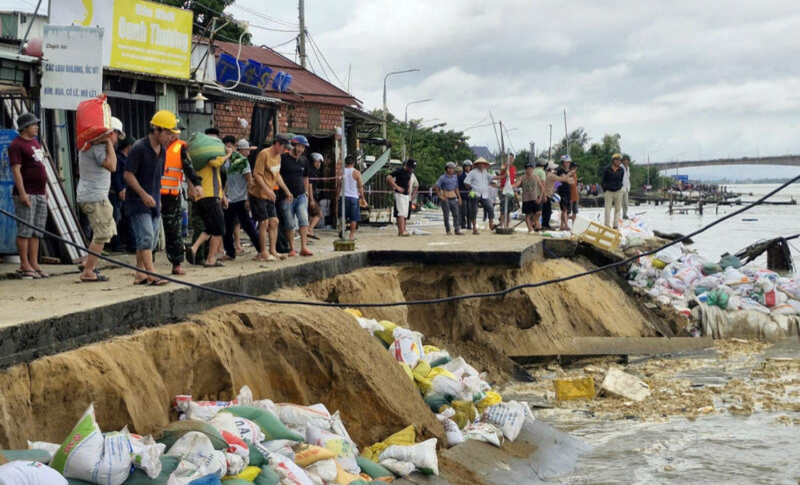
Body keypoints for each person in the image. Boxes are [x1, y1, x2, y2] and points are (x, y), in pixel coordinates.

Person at [124, 110, 178, 286]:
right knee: (146, 236)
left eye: (172, 133)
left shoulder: (162, 150)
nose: (170, 137)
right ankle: (151, 273)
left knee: (151, 240)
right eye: (167, 133)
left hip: (154, 201)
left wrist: (158, 199)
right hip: (138, 202)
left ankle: (140, 274)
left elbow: (158, 177)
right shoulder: (139, 148)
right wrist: (143, 194)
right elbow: (128, 174)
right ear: (156, 130)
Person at [76, 117, 124, 282]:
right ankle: (88, 271)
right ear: (111, 132)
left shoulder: (92, 145)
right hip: (95, 196)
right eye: (116, 135)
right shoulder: (97, 147)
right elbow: (112, 166)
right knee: (102, 234)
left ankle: (88, 263)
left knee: (106, 231)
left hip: (95, 195)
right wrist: (108, 143)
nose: (117, 139)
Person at [9, 113, 48, 279]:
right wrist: (23, 192)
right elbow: (16, 170)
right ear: (25, 127)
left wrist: (44, 189)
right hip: (27, 193)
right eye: (33, 124)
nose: (36, 127)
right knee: (25, 230)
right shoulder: (16, 145)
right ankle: (24, 263)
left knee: (36, 231)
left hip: (39, 192)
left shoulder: (35, 143)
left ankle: (34, 263)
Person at [161, 128, 202, 275]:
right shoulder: (155, 145)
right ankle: (146, 265)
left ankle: (176, 263)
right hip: (153, 194)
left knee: (174, 230)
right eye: (172, 132)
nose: (174, 135)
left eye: (176, 132)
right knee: (151, 230)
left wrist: (196, 184)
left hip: (171, 195)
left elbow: (188, 168)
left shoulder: (180, 147)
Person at [189, 131, 232, 267]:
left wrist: (222, 196)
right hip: (209, 195)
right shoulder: (209, 157)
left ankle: (194, 248)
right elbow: (216, 162)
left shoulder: (198, 159)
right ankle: (210, 259)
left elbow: (217, 179)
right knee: (219, 228)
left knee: (210, 227)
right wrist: (228, 154)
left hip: (202, 196)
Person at [250, 134, 292, 261]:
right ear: (277, 144)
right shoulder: (264, 154)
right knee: (264, 222)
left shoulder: (278, 157)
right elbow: (257, 174)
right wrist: (267, 189)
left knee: (274, 221)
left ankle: (273, 250)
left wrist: (286, 190)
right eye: (283, 147)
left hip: (270, 195)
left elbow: (277, 175)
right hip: (258, 194)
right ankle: (263, 252)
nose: (284, 150)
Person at [221, 138, 260, 260]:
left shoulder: (243, 162)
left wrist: (248, 200)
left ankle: (261, 249)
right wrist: (224, 195)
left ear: (234, 146)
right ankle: (230, 252)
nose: (227, 149)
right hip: (231, 199)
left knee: (248, 226)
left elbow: (249, 181)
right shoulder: (228, 161)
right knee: (227, 227)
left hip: (241, 199)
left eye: (229, 146)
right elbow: (228, 179)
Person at [279, 135, 314, 257]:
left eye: (302, 147)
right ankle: (292, 248)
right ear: (293, 145)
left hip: (300, 196)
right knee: (289, 222)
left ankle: (304, 247)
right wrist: (284, 191)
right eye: (299, 146)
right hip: (286, 196)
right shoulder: (283, 158)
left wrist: (306, 193)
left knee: (303, 220)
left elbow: (305, 177)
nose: (300, 149)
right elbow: (277, 175)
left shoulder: (304, 160)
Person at [109, 135, 134, 252]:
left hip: (125, 192)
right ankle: (115, 244)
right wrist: (120, 189)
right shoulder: (118, 158)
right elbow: (115, 175)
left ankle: (128, 243)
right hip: (116, 193)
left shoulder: (127, 159)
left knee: (126, 219)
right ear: (128, 146)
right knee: (116, 218)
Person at [463, 157, 497, 234]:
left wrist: (503, 176)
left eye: (483, 164)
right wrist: (471, 188)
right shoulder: (472, 172)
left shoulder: (485, 173)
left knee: (490, 207)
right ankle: (474, 227)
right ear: (477, 165)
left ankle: (491, 224)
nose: (481, 165)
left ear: (485, 165)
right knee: (474, 210)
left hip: (484, 194)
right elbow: (466, 182)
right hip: (474, 193)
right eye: (480, 164)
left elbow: (493, 177)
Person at [512, 162, 545, 233]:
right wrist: (510, 186)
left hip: (535, 198)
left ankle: (533, 222)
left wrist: (540, 197)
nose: (528, 171)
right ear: (525, 170)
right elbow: (517, 184)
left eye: (530, 169)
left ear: (532, 170)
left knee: (538, 212)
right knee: (527, 214)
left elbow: (542, 187)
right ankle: (530, 229)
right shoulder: (522, 178)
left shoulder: (536, 177)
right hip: (526, 199)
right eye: (527, 169)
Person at [386, 159, 416, 236]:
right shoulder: (399, 171)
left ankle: (404, 229)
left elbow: (409, 179)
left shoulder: (410, 172)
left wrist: (409, 187)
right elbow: (389, 177)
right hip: (399, 194)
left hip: (406, 194)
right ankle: (401, 230)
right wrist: (396, 187)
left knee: (405, 213)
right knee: (401, 212)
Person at [434, 162, 463, 235]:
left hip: (453, 197)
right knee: (446, 215)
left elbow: (456, 188)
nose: (451, 170)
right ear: (446, 169)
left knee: (456, 215)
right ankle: (448, 230)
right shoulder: (442, 177)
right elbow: (436, 187)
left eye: (452, 168)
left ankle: (457, 229)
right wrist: (440, 196)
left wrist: (459, 197)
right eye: (449, 168)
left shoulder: (455, 177)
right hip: (446, 198)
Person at [340, 155, 364, 240]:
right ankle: (352, 235)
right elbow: (360, 186)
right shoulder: (357, 173)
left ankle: (343, 231)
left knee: (342, 215)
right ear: (353, 163)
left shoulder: (341, 172)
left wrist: (336, 196)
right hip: (354, 196)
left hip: (343, 196)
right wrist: (363, 198)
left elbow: (338, 185)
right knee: (354, 217)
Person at [543, 161, 572, 231]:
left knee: (546, 211)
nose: (555, 170)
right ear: (550, 168)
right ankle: (546, 225)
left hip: (546, 194)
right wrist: (570, 173)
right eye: (553, 168)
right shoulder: (551, 175)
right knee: (547, 211)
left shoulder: (546, 174)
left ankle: (545, 225)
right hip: (547, 194)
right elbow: (563, 179)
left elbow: (557, 183)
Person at [602, 153, 625, 229]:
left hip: (618, 190)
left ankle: (615, 225)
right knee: (607, 208)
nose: (618, 161)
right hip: (609, 191)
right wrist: (605, 189)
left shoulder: (621, 170)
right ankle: (607, 224)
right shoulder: (607, 169)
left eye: (619, 160)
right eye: (616, 160)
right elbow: (603, 180)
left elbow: (621, 180)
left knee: (618, 209)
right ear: (613, 160)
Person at [306, 152, 324, 239]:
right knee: (318, 214)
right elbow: (309, 186)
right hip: (310, 196)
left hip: (310, 196)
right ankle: (309, 229)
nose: (319, 164)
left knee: (312, 215)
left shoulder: (312, 171)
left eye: (319, 162)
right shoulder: (311, 172)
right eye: (317, 162)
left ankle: (310, 231)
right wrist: (311, 199)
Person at [497, 153, 516, 228]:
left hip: (511, 189)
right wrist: (506, 166)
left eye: (511, 158)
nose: (510, 160)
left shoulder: (514, 168)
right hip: (503, 189)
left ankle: (507, 225)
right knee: (503, 209)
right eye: (508, 158)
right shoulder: (504, 166)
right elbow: (502, 169)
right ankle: (501, 225)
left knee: (509, 210)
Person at [556, 155, 573, 231]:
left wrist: (568, 178)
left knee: (566, 209)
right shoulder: (560, 171)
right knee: (564, 209)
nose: (568, 164)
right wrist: (568, 176)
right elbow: (564, 179)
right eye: (566, 162)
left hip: (568, 190)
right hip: (562, 191)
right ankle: (566, 225)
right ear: (563, 163)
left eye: (569, 162)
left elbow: (571, 181)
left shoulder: (567, 171)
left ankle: (562, 225)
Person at [532, 159, 548, 231]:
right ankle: (533, 222)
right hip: (538, 193)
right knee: (539, 211)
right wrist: (544, 195)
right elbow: (543, 184)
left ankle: (537, 225)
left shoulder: (533, 171)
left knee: (535, 211)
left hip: (531, 194)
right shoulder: (542, 172)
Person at [458, 159, 473, 230]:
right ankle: (463, 224)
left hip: (471, 195)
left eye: (469, 166)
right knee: (463, 211)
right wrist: (459, 196)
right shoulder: (461, 176)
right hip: (463, 195)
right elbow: (458, 186)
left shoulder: (473, 175)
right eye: (466, 166)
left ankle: (469, 225)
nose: (467, 168)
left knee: (470, 211)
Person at [568, 161, 580, 227]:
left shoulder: (575, 174)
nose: (575, 168)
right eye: (574, 167)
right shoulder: (569, 174)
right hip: (570, 195)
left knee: (575, 211)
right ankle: (566, 224)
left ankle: (574, 225)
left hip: (575, 195)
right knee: (568, 211)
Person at [621, 154, 631, 219]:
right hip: (621, 187)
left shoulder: (628, 168)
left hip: (627, 187)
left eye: (627, 160)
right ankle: (618, 215)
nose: (626, 161)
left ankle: (625, 214)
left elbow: (627, 177)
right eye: (625, 160)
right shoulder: (620, 167)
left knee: (626, 203)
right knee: (619, 203)